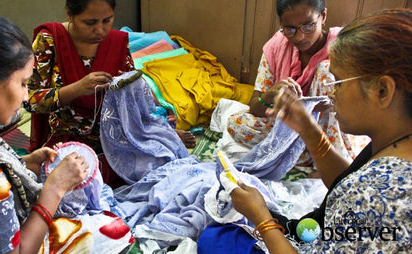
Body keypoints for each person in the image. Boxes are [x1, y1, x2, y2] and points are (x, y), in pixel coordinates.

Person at [200, 8, 412, 253]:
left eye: (338, 83)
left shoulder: (376, 194)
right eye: (290, 29)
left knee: (215, 238)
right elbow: (345, 183)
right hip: (324, 228)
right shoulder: (394, 142)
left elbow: (356, 191)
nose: (331, 93)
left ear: (382, 91)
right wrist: (307, 128)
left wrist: (262, 218)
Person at [0, 10, 136, 253]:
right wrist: (54, 190)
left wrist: (22, 163)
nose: (26, 95)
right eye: (22, 83)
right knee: (110, 232)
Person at [25, 0, 195, 188]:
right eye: (90, 23)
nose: (100, 30)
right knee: (77, 181)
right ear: (69, 15)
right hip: (70, 136)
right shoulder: (50, 40)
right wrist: (77, 88)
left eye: (107, 20)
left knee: (163, 164)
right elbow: (29, 100)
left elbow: (135, 98)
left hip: (118, 134)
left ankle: (163, 133)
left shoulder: (118, 42)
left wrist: (126, 85)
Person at [220, 0, 368, 176]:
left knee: (326, 72)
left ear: (323, 17)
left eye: (308, 26)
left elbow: (362, 104)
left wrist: (332, 104)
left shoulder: (343, 46)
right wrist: (269, 96)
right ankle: (307, 153)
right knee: (235, 123)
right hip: (295, 128)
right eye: (289, 29)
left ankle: (328, 159)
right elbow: (255, 107)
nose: (299, 37)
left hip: (335, 128)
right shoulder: (276, 48)